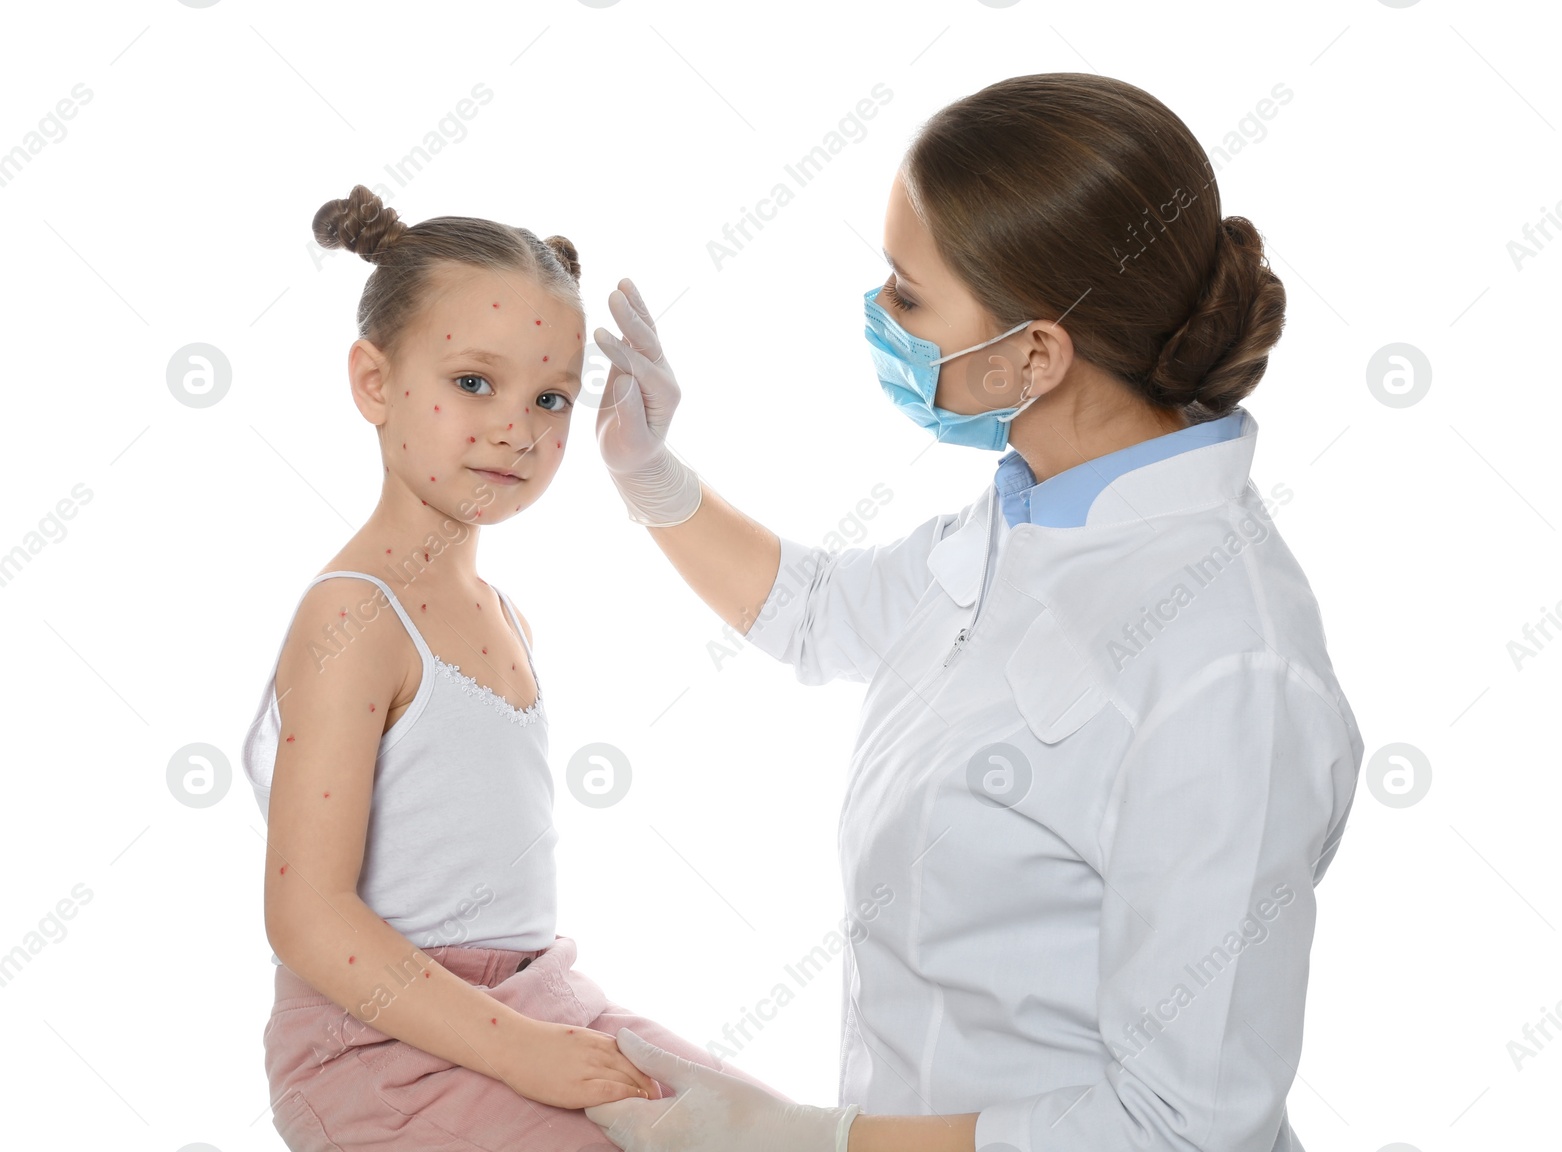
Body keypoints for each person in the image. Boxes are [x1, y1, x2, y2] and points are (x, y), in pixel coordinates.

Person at [581, 72, 1362, 1152]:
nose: (877, 315)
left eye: (906, 295)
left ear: (1035, 352)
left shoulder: (1226, 671)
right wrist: (648, 475)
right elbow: (818, 613)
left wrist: (806, 1142)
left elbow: (1186, 1133)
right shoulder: (1034, 509)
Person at [240, 185, 787, 1150]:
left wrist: (543, 1032)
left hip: (534, 999)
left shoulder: (506, 619)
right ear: (375, 382)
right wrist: (524, 1053)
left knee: (762, 1133)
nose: (519, 429)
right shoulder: (355, 617)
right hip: (377, 1049)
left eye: (551, 398)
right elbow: (308, 918)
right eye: (473, 384)